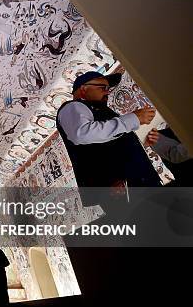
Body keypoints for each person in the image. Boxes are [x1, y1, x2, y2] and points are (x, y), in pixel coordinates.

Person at [56, 71, 161, 213]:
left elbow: (107, 144)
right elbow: (82, 134)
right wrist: (133, 119)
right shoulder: (72, 107)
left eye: (108, 89)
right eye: (102, 87)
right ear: (84, 88)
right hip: (117, 188)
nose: (107, 92)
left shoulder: (98, 110)